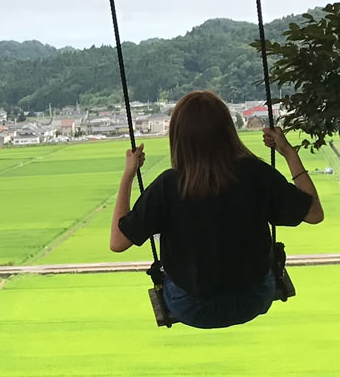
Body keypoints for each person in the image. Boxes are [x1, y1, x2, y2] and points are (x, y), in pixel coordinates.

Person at [110, 90, 325, 329]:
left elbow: (118, 242)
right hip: (253, 299)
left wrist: (128, 175)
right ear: (228, 132)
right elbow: (315, 214)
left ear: (178, 137)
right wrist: (288, 152)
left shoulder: (168, 186)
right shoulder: (255, 174)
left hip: (192, 307)